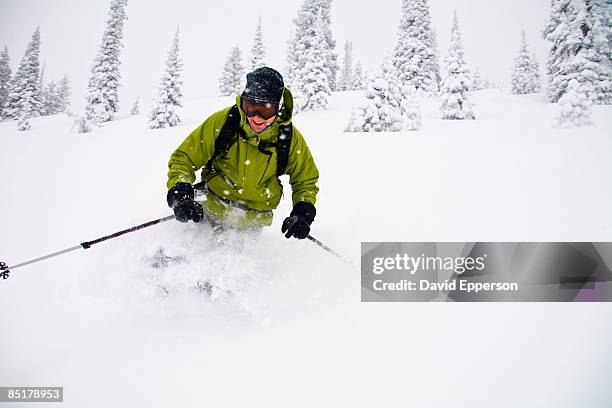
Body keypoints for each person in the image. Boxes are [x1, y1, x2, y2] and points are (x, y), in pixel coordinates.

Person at [166, 67, 319, 240]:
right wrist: (181, 190)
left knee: (235, 266)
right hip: (209, 209)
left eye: (266, 110)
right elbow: (184, 158)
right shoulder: (226, 122)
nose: (257, 117)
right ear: (243, 103)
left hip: (252, 222)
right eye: (251, 107)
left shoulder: (288, 138)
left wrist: (303, 211)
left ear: (278, 107)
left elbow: (305, 180)